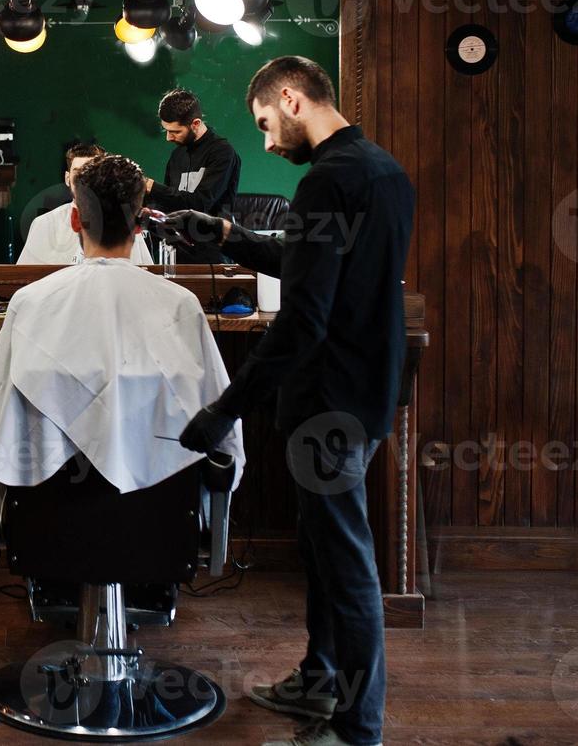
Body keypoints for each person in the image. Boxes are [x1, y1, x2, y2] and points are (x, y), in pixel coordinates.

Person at [172, 56, 415, 746]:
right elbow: (318, 260)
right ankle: (318, 679)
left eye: (264, 125)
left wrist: (226, 407)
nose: (266, 143)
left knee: (345, 563)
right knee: (321, 547)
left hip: (327, 399)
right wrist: (228, 237)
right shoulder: (380, 171)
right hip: (364, 392)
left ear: (288, 98)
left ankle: (357, 726)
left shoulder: (324, 182)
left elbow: (303, 316)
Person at [0, 153, 243, 491]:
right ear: (141, 224)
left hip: (48, 529)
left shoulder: (29, 304)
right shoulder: (182, 307)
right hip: (164, 528)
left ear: (74, 221)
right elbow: (223, 436)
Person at [144, 88, 241, 263]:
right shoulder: (177, 156)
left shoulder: (222, 153)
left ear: (195, 123)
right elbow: (169, 204)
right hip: (177, 253)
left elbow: (200, 204)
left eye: (175, 132)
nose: (168, 138)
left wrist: (151, 186)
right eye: (166, 130)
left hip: (212, 256)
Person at [18, 143, 153, 265]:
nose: (84, 182)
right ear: (67, 178)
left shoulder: (124, 223)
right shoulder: (44, 224)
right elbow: (22, 279)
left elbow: (143, 276)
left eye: (91, 174)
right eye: (78, 173)